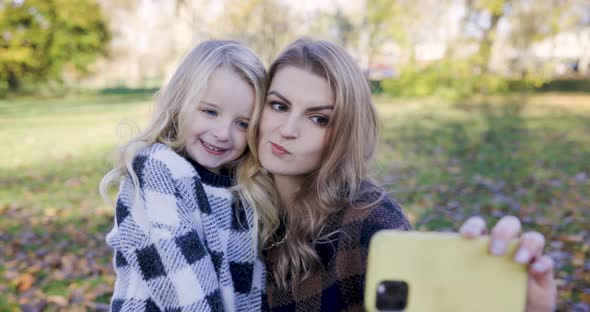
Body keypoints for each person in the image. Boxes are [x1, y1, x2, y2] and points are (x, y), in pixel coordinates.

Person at [236, 38, 556, 311]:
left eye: (318, 118)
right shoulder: (231, 201)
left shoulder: (370, 221)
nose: (288, 130)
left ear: (344, 133)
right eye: (279, 106)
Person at [100, 40, 267, 312]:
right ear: (180, 103)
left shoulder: (245, 187)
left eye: (242, 123)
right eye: (210, 112)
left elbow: (250, 294)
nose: (223, 133)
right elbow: (189, 293)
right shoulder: (157, 170)